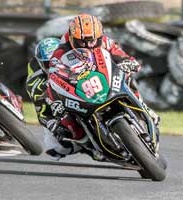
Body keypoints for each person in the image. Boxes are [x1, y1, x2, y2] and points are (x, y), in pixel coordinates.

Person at [45, 13, 160, 159]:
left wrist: (128, 62)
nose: (88, 45)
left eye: (93, 41)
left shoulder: (105, 41)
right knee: (68, 123)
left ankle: (145, 108)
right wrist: (57, 100)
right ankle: (89, 144)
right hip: (83, 85)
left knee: (128, 78)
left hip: (105, 75)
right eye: (82, 42)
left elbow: (119, 54)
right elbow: (54, 76)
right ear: (72, 37)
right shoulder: (61, 50)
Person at [26, 37, 85, 160]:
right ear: (40, 63)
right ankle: (85, 147)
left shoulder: (77, 58)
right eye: (48, 63)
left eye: (55, 60)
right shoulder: (35, 82)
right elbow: (41, 112)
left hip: (86, 94)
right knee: (53, 149)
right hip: (61, 108)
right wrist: (52, 123)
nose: (53, 65)